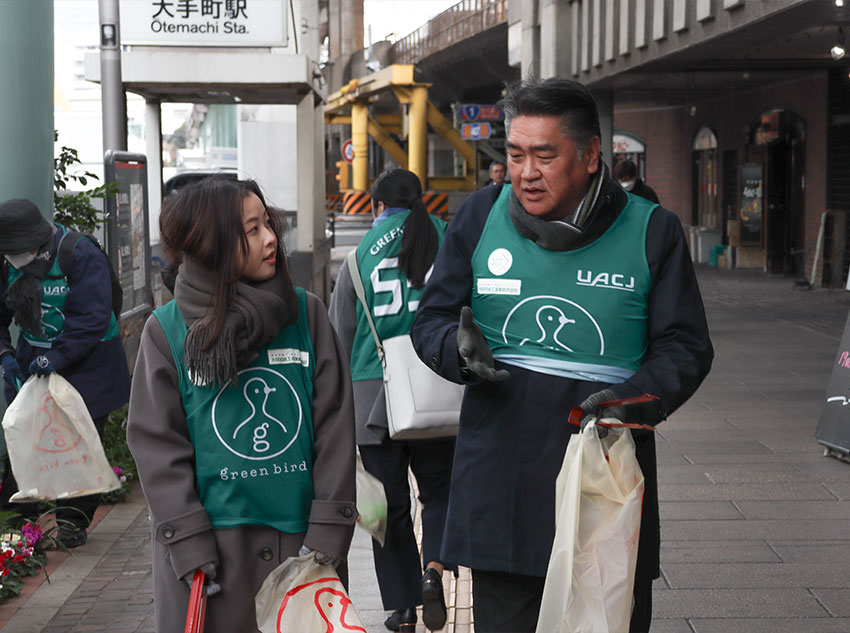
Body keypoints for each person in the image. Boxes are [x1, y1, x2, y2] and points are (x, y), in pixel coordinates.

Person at [411, 78, 714, 632]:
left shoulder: (654, 231)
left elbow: (687, 346)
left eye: (544, 156)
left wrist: (630, 402)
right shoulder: (481, 217)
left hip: (605, 473)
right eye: (516, 154)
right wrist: (456, 350)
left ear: (591, 154)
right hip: (501, 472)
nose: (526, 172)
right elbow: (429, 318)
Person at [126, 177, 357, 632]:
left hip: (302, 549)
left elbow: (334, 426)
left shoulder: (306, 314)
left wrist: (328, 532)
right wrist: (187, 541)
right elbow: (157, 446)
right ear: (212, 244)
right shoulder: (167, 331)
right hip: (212, 563)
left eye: (267, 224)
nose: (271, 238)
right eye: (251, 230)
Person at [329, 169, 455, 632]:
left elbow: (338, 334)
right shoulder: (447, 237)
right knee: (440, 491)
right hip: (437, 389)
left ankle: (400, 607)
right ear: (422, 199)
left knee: (387, 508)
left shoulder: (359, 255)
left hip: (373, 396)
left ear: (378, 206)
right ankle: (434, 572)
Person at [0, 199, 130, 547]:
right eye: (6, 252)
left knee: (80, 441)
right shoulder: (7, 265)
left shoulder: (79, 253)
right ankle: (19, 525)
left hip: (89, 363)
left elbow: (90, 318)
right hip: (33, 361)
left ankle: (73, 522)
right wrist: (5, 355)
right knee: (24, 436)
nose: (11, 258)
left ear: (36, 243)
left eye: (17, 251)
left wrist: (56, 358)